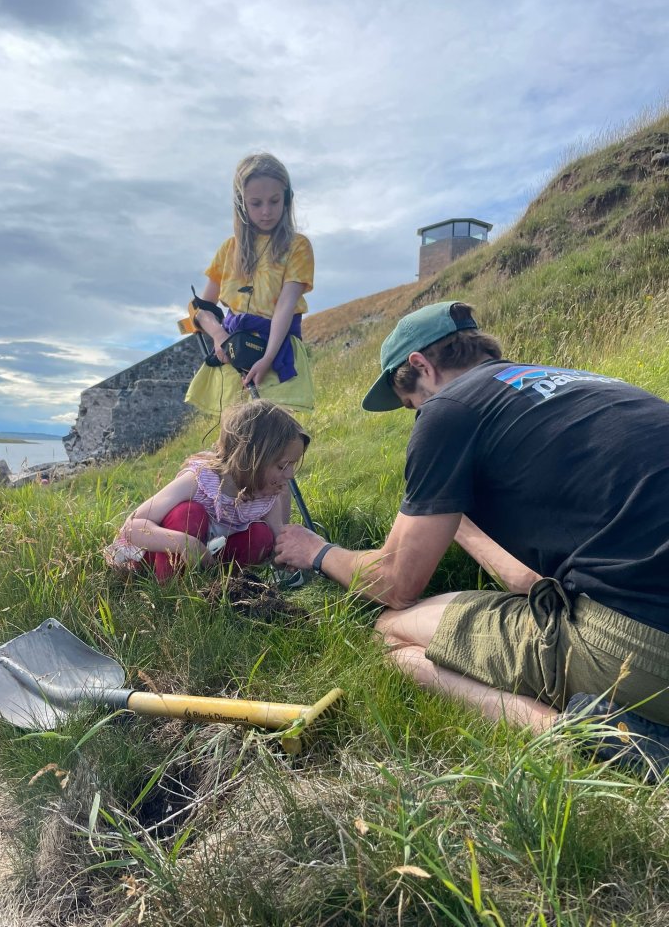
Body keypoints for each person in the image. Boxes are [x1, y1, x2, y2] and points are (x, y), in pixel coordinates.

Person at [274, 300, 669, 774]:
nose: (416, 414)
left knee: (389, 635)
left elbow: (395, 583)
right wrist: (451, 515)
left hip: (644, 647)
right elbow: (531, 579)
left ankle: (584, 737)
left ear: (421, 366)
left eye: (409, 403)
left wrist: (316, 551)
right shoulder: (584, 384)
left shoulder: (448, 411)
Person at [104, 400, 309, 582]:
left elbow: (276, 539)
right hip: (158, 555)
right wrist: (186, 544)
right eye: (282, 465)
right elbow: (131, 528)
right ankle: (171, 592)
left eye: (292, 465)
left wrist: (288, 555)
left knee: (260, 535)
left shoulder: (268, 492)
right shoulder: (200, 480)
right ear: (251, 459)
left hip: (210, 559)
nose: (290, 474)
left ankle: (219, 585)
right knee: (188, 513)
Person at [180, 152, 315, 415]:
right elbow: (201, 308)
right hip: (234, 353)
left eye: (275, 201)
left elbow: (285, 308)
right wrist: (219, 335)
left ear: (287, 200)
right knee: (236, 440)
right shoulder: (228, 250)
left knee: (277, 440)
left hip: (277, 352)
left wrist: (267, 359)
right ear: (241, 204)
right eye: (256, 203)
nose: (266, 211)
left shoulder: (298, 247)